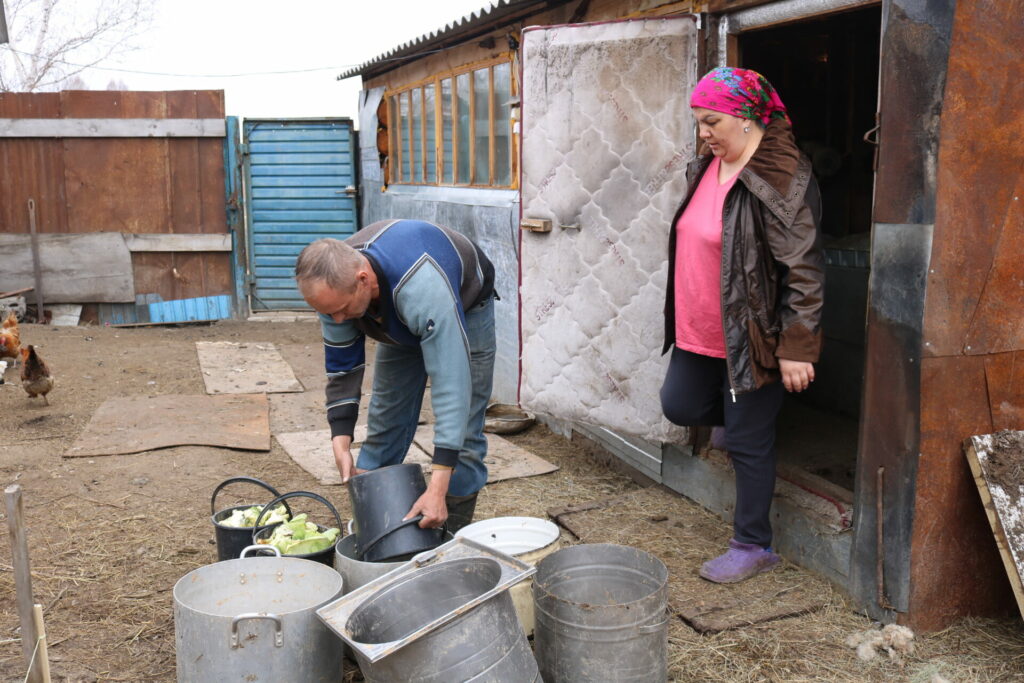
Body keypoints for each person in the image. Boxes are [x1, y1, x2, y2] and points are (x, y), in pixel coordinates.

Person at [661, 67, 824, 583]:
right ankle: (739, 422)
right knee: (680, 405)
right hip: (701, 326)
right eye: (699, 123)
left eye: (712, 121)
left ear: (749, 118)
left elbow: (803, 268)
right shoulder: (704, 168)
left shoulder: (782, 176)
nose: (704, 133)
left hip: (754, 334)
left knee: (751, 441)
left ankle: (753, 544)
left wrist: (798, 346)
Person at [295, 219, 496, 534]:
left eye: (342, 310)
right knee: (386, 419)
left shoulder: (423, 289)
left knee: (466, 435)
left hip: (465, 304)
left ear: (363, 280)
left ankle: (448, 533)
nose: (336, 319)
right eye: (327, 312)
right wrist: (341, 440)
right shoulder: (335, 289)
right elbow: (342, 367)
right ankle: (378, 536)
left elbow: (452, 387)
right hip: (395, 311)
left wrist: (437, 488)